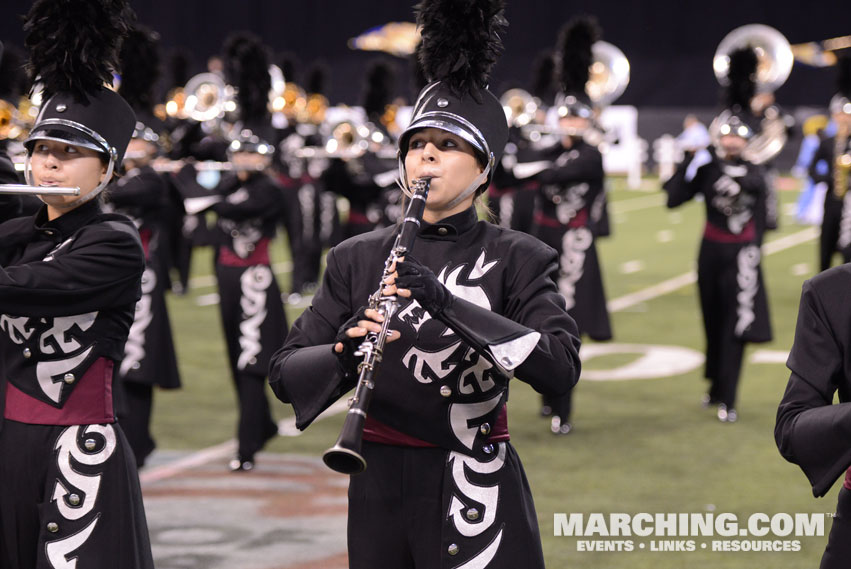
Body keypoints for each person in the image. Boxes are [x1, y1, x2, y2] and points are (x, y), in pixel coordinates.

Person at [268, 0, 581, 567]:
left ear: (485, 168)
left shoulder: (518, 256)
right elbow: (285, 375)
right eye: (417, 143)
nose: (428, 154)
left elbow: (560, 368)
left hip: (475, 479)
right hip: (376, 482)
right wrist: (343, 351)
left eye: (449, 144)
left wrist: (447, 303)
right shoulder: (356, 256)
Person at [0, 0, 154, 566]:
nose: (49, 166)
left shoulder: (113, 242)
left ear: (107, 168)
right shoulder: (18, 230)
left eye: (69, 154)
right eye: (41, 150)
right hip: (8, 443)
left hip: (79, 448)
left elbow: (24, 287)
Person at [514, 15, 613, 435]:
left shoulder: (590, 156)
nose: (570, 125)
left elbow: (551, 175)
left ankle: (564, 409)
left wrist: (533, 165)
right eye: (566, 119)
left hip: (574, 243)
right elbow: (509, 174)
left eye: (577, 119)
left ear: (587, 122)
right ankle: (548, 395)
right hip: (544, 241)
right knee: (539, 316)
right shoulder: (551, 147)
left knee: (567, 323)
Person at [663, 110, 772, 423]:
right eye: (727, 135)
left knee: (735, 326)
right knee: (712, 322)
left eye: (738, 136)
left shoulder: (756, 170)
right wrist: (688, 162)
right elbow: (673, 199)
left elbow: (760, 205)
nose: (732, 141)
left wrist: (755, 252)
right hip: (710, 252)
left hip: (742, 256)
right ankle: (714, 386)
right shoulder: (708, 168)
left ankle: (729, 396)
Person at [811, 54, 851, 270]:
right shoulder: (827, 142)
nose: (844, 119)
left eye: (847, 115)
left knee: (848, 251)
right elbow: (811, 169)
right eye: (840, 115)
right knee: (825, 250)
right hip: (832, 200)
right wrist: (827, 178)